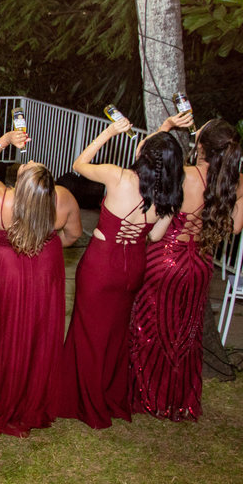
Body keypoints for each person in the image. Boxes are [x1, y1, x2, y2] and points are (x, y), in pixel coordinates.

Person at [53, 119, 183, 428]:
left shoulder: (119, 176)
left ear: (145, 155)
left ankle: (82, 399)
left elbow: (79, 164)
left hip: (102, 264)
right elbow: (155, 236)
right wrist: (165, 127)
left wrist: (109, 132)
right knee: (114, 334)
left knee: (88, 331)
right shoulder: (169, 197)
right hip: (133, 266)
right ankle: (108, 394)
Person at [129, 115, 243, 421]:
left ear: (201, 147)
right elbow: (235, 227)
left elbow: (143, 158)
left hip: (164, 259)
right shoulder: (238, 181)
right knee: (185, 333)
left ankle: (147, 394)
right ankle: (177, 398)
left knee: (149, 326)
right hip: (200, 263)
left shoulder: (183, 174)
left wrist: (165, 129)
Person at [0, 130, 82, 436]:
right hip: (43, 272)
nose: (30, 161)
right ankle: (29, 397)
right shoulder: (62, 200)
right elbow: (73, 235)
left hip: (4, 274)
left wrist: (4, 140)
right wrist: (43, 243)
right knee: (35, 333)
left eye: (29, 167)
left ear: (22, 185)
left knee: (0, 331)